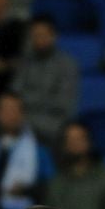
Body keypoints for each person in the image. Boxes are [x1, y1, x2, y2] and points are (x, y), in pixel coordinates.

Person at [10, 15, 79, 144]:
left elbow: (62, 104)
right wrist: (41, 98)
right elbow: (15, 94)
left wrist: (30, 100)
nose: (38, 40)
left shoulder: (67, 65)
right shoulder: (26, 61)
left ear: (53, 36)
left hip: (54, 123)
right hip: (24, 119)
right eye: (35, 36)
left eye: (42, 35)